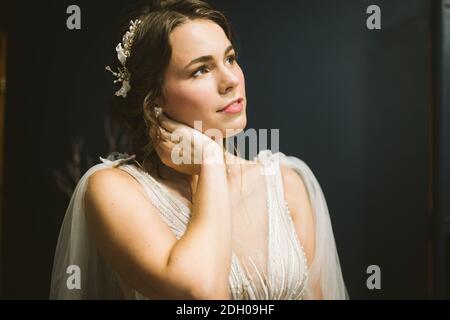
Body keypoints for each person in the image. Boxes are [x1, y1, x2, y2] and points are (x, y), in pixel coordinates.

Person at [50, 0, 348, 300]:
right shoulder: (112, 189)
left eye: (230, 59)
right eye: (201, 70)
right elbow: (201, 293)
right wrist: (210, 161)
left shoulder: (285, 184)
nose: (230, 80)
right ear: (155, 99)